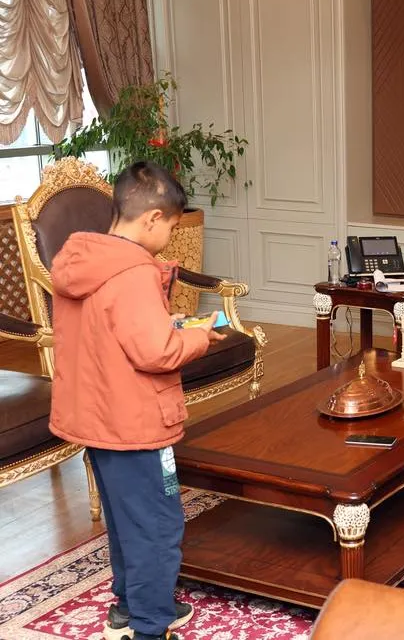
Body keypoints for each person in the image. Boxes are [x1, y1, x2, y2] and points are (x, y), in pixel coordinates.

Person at [49, 161, 226, 640]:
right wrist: (197, 337)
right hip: (136, 422)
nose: (169, 236)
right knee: (158, 525)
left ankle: (131, 607)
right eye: (171, 226)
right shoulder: (133, 273)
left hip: (96, 418)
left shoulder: (81, 259)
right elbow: (157, 353)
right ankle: (151, 626)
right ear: (152, 218)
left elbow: (110, 333)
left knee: (126, 519)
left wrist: (167, 326)